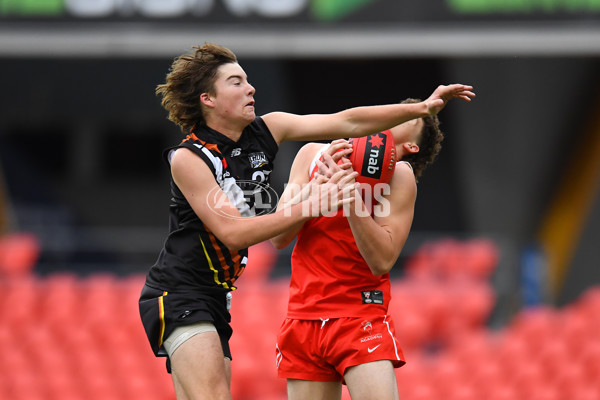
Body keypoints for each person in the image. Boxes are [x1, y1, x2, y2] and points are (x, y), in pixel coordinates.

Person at [138, 42, 475, 400]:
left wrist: (424, 107)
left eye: (248, 80)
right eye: (236, 82)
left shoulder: (269, 129)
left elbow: (348, 120)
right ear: (208, 99)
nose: (251, 88)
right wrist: (314, 200)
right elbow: (234, 234)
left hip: (219, 294)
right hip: (179, 289)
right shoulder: (189, 157)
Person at [270, 98, 451, 400]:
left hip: (359, 315)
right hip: (304, 315)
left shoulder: (400, 177)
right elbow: (278, 238)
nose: (387, 119)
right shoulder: (311, 154)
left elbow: (382, 260)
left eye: (404, 119)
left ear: (409, 147)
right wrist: (315, 192)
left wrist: (350, 196)